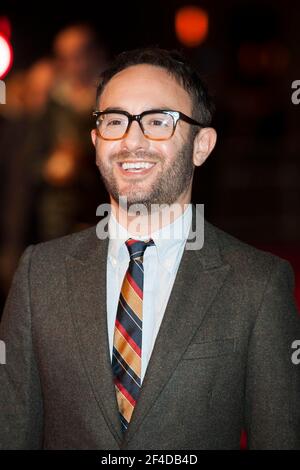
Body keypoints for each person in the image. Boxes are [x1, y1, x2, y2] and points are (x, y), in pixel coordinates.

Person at [0, 48, 299, 450]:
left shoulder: (258, 284)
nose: (131, 140)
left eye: (158, 121)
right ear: (95, 140)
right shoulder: (40, 273)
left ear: (202, 145)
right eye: (115, 121)